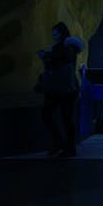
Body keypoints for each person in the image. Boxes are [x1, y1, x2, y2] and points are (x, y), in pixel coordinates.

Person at [36, 22, 84, 158]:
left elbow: (62, 60)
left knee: (63, 117)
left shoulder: (67, 47)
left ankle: (66, 145)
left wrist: (46, 56)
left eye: (56, 34)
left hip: (64, 88)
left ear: (61, 33)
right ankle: (64, 144)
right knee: (58, 116)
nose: (54, 37)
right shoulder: (63, 48)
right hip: (62, 88)